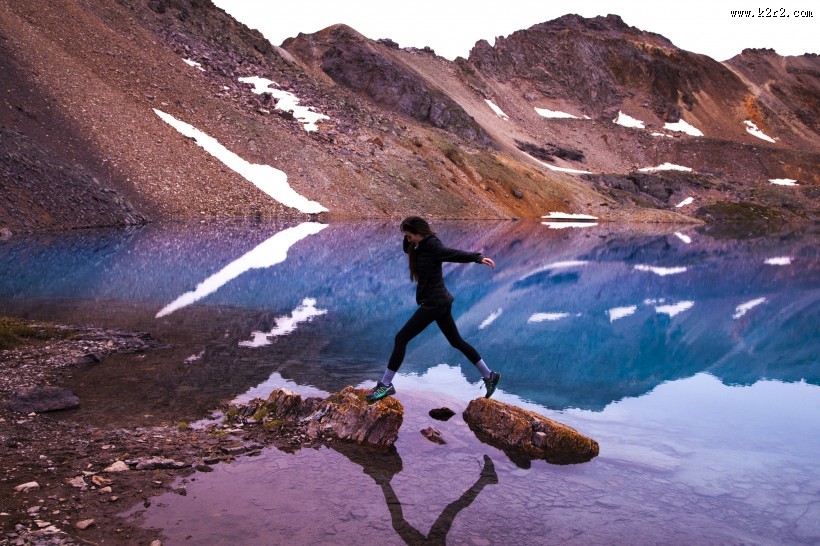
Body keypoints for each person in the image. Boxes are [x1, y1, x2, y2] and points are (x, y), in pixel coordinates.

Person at [366, 216, 501, 403]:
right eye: (406, 236)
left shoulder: (432, 245)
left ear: (420, 234)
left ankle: (385, 385)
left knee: (401, 338)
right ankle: (489, 375)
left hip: (434, 304)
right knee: (456, 341)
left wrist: (477, 258)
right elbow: (407, 248)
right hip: (440, 301)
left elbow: (452, 254)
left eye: (409, 235)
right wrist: (407, 235)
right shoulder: (417, 246)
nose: (408, 239)